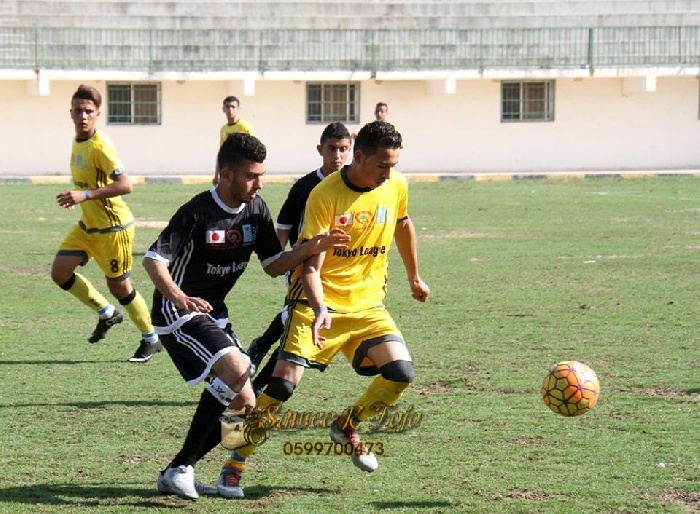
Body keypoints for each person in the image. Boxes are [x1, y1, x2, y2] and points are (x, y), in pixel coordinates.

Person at [223, 121, 430, 497]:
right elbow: (311, 266)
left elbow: (402, 223)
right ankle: (234, 464)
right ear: (360, 156)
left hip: (367, 306)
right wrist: (320, 308)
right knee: (282, 387)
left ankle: (347, 424)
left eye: (394, 165)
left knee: (401, 372)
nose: (389, 173)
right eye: (382, 165)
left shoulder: (396, 185)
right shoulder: (324, 195)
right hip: (315, 301)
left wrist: (415, 276)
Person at [145, 132, 349, 500]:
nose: (259, 183)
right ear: (225, 175)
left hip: (213, 313)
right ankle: (181, 468)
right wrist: (179, 296)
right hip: (177, 310)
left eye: (262, 174)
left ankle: (177, 470)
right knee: (239, 369)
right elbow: (153, 259)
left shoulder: (257, 210)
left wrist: (313, 247)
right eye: (252, 176)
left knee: (245, 403)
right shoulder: (197, 211)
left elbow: (273, 265)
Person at [51, 84, 161, 363]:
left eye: (89, 111)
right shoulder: (78, 140)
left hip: (114, 229)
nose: (83, 116)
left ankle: (151, 338)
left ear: (98, 113)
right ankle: (107, 313)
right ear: (71, 113)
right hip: (88, 225)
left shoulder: (101, 146)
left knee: (120, 287)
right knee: (60, 272)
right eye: (78, 110)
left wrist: (83, 195)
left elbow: (126, 185)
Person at [246, 122, 353, 394]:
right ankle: (260, 385)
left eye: (343, 149)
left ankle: (260, 346)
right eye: (332, 149)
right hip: (303, 268)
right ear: (320, 149)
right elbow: (283, 227)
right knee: (296, 329)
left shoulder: (354, 185)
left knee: (290, 322)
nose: (337, 156)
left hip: (338, 272)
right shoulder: (305, 186)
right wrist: (280, 262)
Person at [212, 96, 255, 185]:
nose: (230, 110)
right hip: (230, 169)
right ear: (223, 109)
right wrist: (216, 174)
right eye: (227, 107)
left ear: (238, 109)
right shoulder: (223, 129)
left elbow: (255, 150)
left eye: (233, 107)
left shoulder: (245, 127)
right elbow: (222, 152)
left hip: (243, 169)